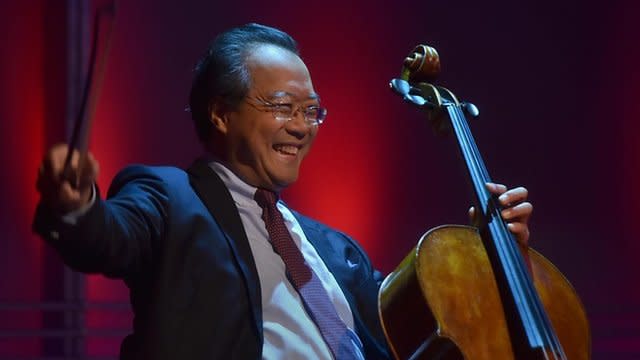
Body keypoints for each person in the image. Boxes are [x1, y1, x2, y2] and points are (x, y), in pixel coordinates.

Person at [33, 23, 532, 359]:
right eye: (281, 106)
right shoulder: (169, 196)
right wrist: (78, 205)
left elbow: (419, 331)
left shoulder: (337, 250)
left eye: (311, 110)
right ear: (221, 113)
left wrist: (495, 259)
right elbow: (108, 236)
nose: (301, 126)